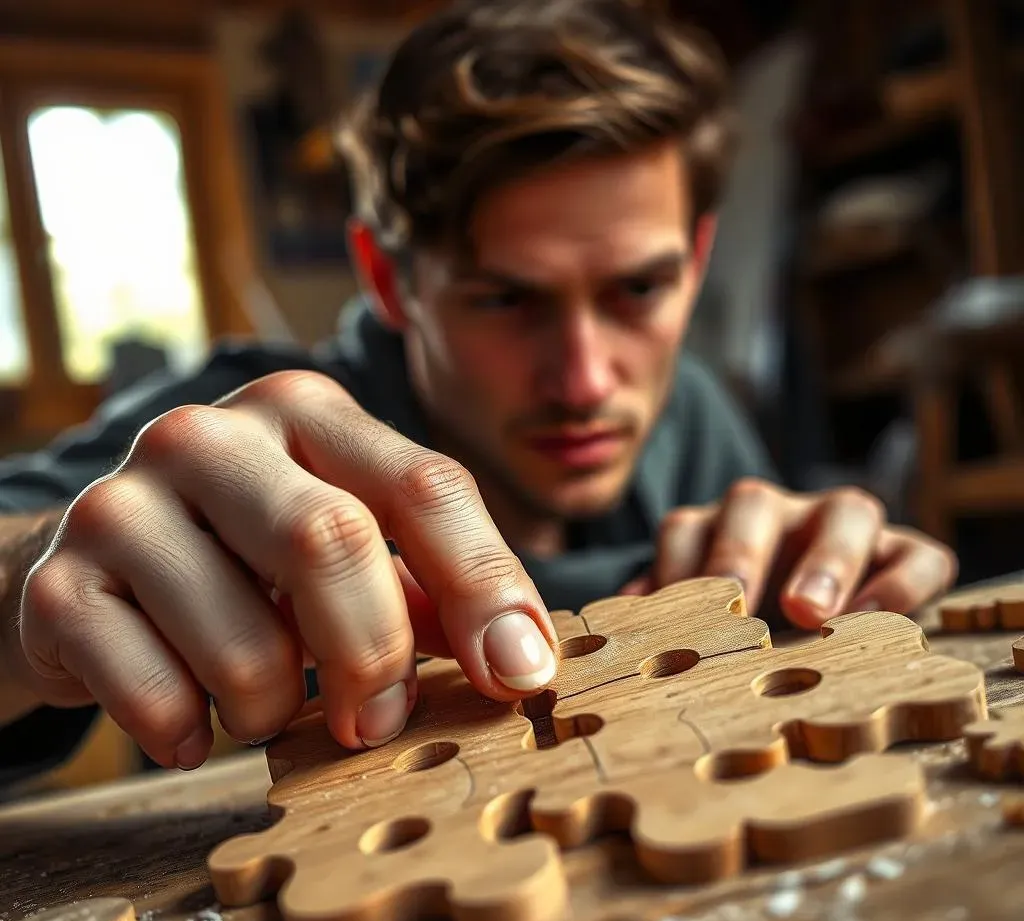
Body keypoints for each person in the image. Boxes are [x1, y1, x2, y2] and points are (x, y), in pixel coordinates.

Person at [0, 0, 955, 789]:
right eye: (505, 299)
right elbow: (39, 545)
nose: (586, 381)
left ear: (698, 259)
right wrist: (32, 583)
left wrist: (816, 579)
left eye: (640, 290)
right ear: (388, 281)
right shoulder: (224, 429)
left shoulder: (696, 412)